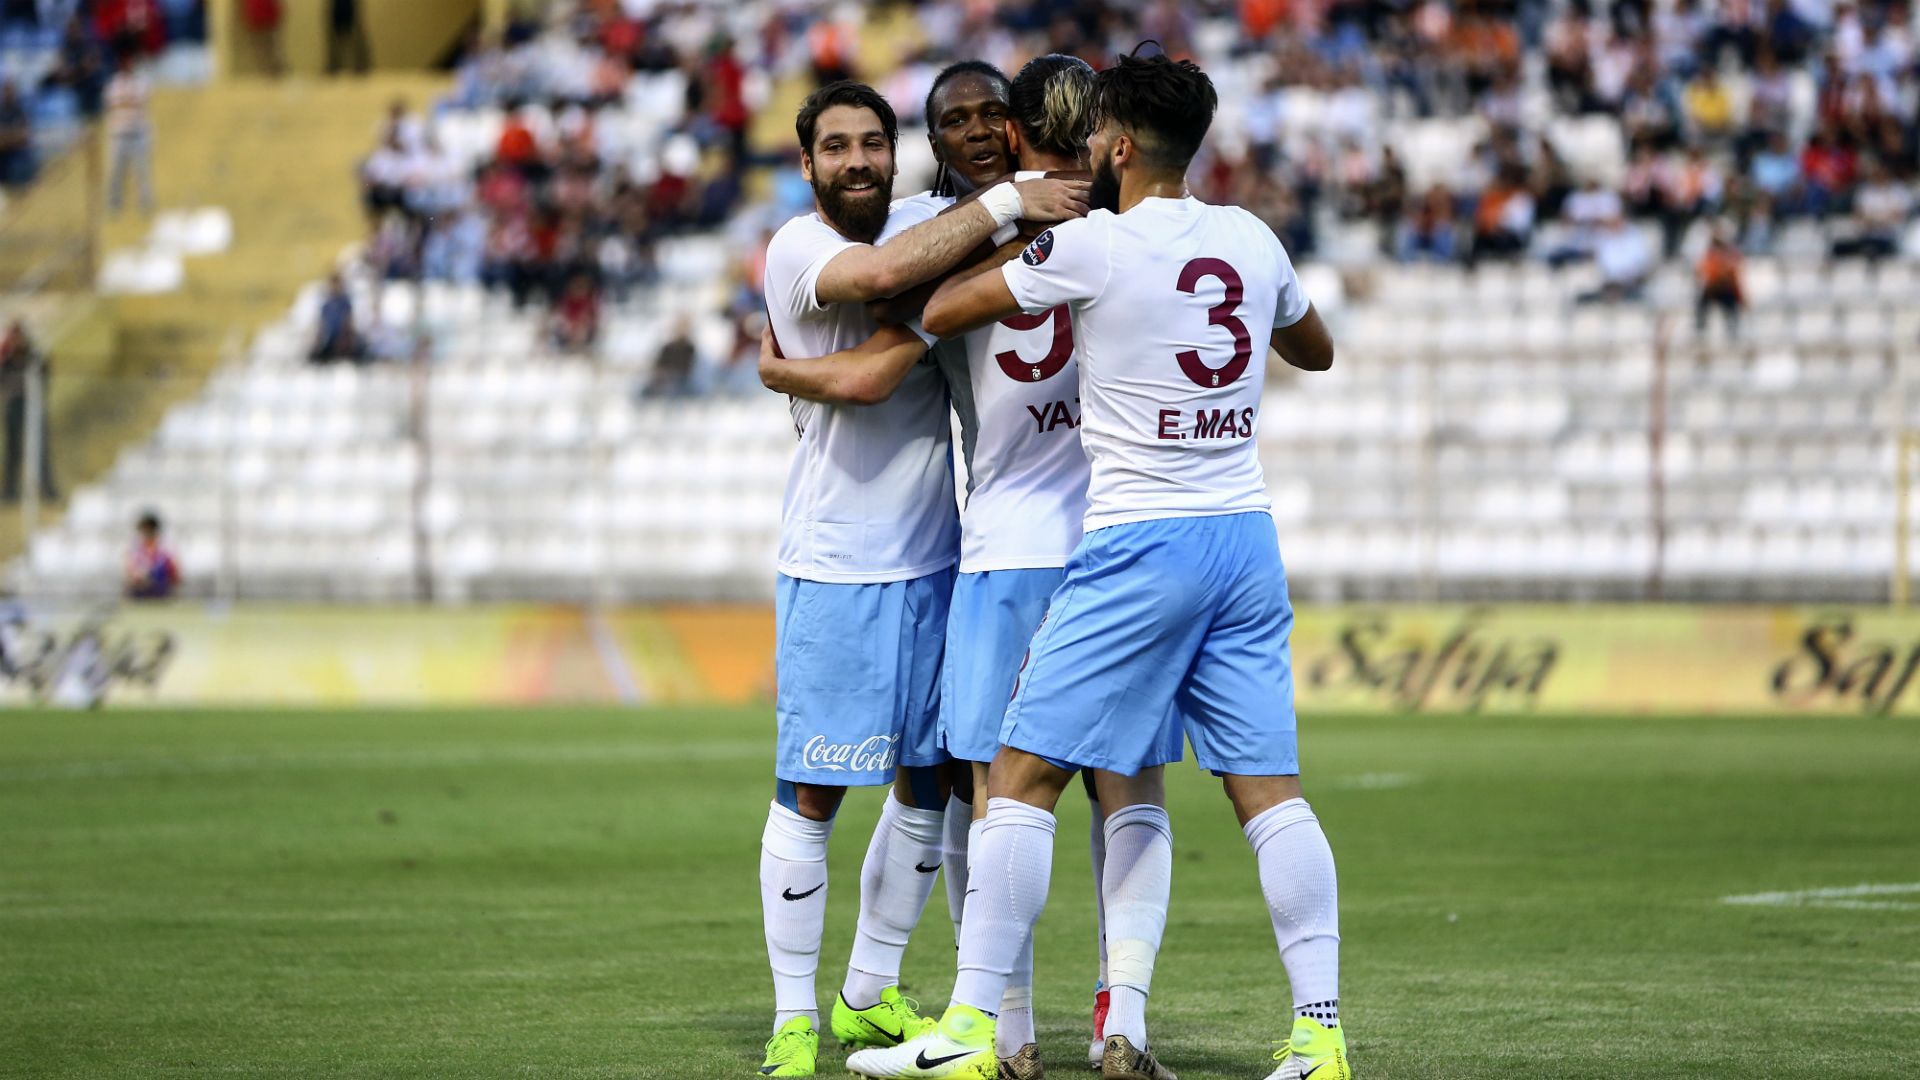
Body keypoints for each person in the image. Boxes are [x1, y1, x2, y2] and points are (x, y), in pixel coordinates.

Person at [848, 51, 1347, 1080]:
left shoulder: (1096, 247)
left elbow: (938, 313)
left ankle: (978, 1033)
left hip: (1136, 543)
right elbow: (1316, 349)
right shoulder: (1251, 238)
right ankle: (1321, 1036)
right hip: (1245, 538)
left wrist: (1022, 230)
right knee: (1270, 794)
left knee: (1018, 780)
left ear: (1117, 145)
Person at [758, 56, 1176, 1080]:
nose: (981, 127)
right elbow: (874, 321)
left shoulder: (951, 247)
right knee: (1032, 790)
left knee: (996, 793)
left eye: (998, 112)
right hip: (1058, 543)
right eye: (957, 118)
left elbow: (884, 339)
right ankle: (1019, 1030)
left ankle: (1031, 1029)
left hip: (1014, 553)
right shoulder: (1111, 216)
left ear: (1026, 121)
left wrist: (777, 367)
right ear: (935, 143)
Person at [2, 320, 56, 502]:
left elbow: (44, 376)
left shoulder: (34, 356)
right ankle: (10, 491)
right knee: (13, 450)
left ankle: (48, 490)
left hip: (33, 406)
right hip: (15, 406)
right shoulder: (7, 360)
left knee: (40, 449)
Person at [103, 52, 153, 215]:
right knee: (115, 172)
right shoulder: (113, 83)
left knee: (142, 171)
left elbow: (138, 102)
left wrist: (126, 102)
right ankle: (114, 204)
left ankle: (145, 203)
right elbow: (114, 105)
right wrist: (128, 102)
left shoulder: (141, 82)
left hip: (137, 133)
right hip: (119, 134)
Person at [1696, 224, 1744, 335]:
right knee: (1702, 304)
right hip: (1713, 286)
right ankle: (1700, 327)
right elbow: (1702, 269)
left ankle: (1733, 330)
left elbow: (1734, 268)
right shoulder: (1709, 251)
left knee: (1731, 309)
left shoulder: (1730, 251)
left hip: (1726, 287)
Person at [124, 511, 179, 600]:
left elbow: (176, 576)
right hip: (140, 595)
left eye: (148, 529)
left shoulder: (166, 550)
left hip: (162, 594)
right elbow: (130, 574)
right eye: (143, 530)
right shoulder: (135, 550)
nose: (145, 533)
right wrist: (138, 577)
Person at [309, 274, 360, 362]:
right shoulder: (326, 305)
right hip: (329, 340)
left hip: (343, 341)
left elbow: (348, 324)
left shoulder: (345, 304)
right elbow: (322, 327)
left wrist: (345, 340)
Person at [0, 82, 34, 187]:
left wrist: (7, 136)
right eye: (6, 91)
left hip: (17, 154)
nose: (8, 94)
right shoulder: (1, 111)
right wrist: (12, 134)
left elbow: (24, 135)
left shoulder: (20, 111)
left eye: (10, 91)